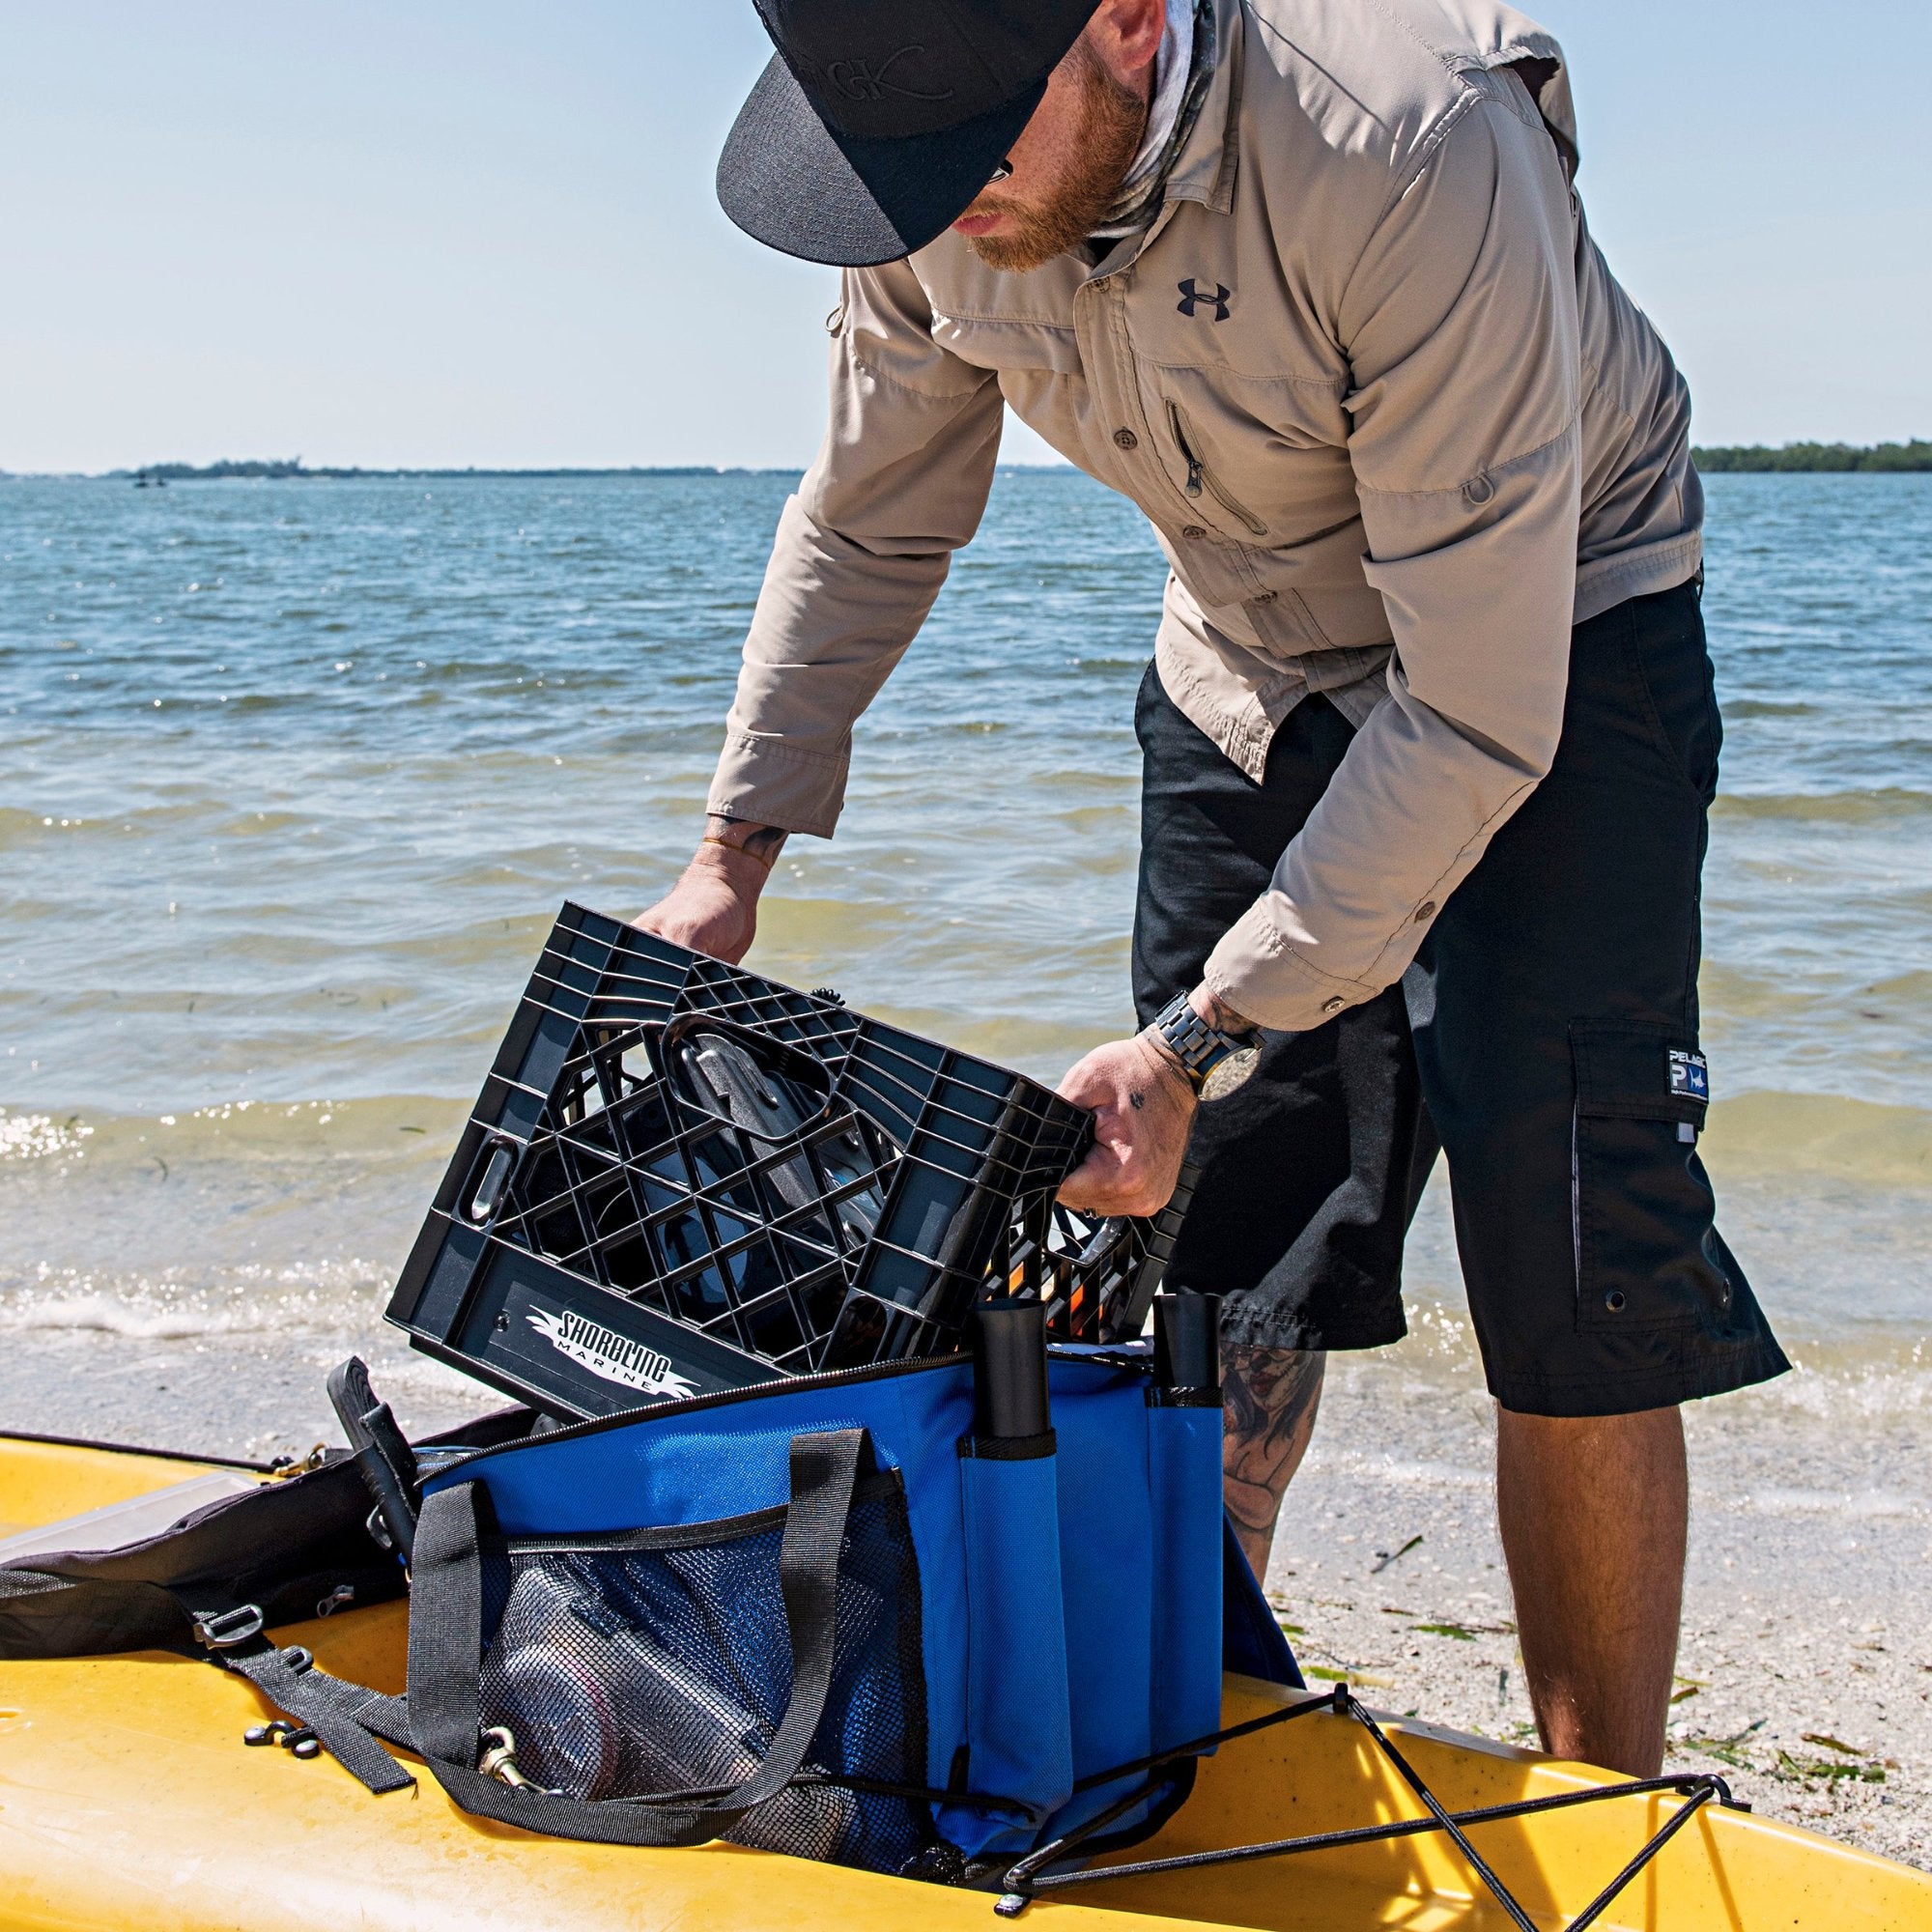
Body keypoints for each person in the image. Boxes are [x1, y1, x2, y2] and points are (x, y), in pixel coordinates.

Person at [641, 0, 1789, 1779]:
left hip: (1555, 629)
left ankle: (1603, 1794)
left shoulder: (1411, 149)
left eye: (971, 157)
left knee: (1574, 1247)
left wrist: (1198, 1028)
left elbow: (1477, 713)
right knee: (1187, 1235)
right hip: (1249, 652)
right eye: (903, 177)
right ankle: (1162, 1733)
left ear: (1125, 23)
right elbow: (871, 515)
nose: (943, 210)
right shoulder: (931, 174)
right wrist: (733, 857)